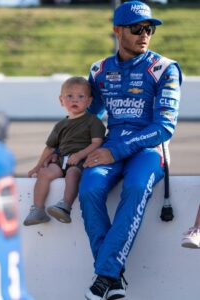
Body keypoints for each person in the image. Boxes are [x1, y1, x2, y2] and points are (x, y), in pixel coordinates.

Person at [79, 1, 182, 300]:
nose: (144, 34)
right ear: (117, 31)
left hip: (149, 148)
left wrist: (117, 151)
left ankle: (106, 275)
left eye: (148, 29)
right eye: (137, 29)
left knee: (136, 187)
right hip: (110, 146)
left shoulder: (165, 69)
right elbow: (88, 117)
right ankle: (112, 276)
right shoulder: (99, 70)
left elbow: (164, 127)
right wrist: (65, 152)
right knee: (89, 190)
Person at [23, 76, 106, 226]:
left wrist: (79, 155)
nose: (75, 100)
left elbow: (97, 143)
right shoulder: (61, 124)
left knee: (73, 174)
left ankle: (65, 206)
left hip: (82, 161)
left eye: (80, 97)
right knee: (45, 173)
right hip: (62, 159)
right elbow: (50, 147)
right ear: (61, 100)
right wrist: (38, 166)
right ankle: (38, 209)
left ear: (89, 101)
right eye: (70, 96)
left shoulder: (93, 121)